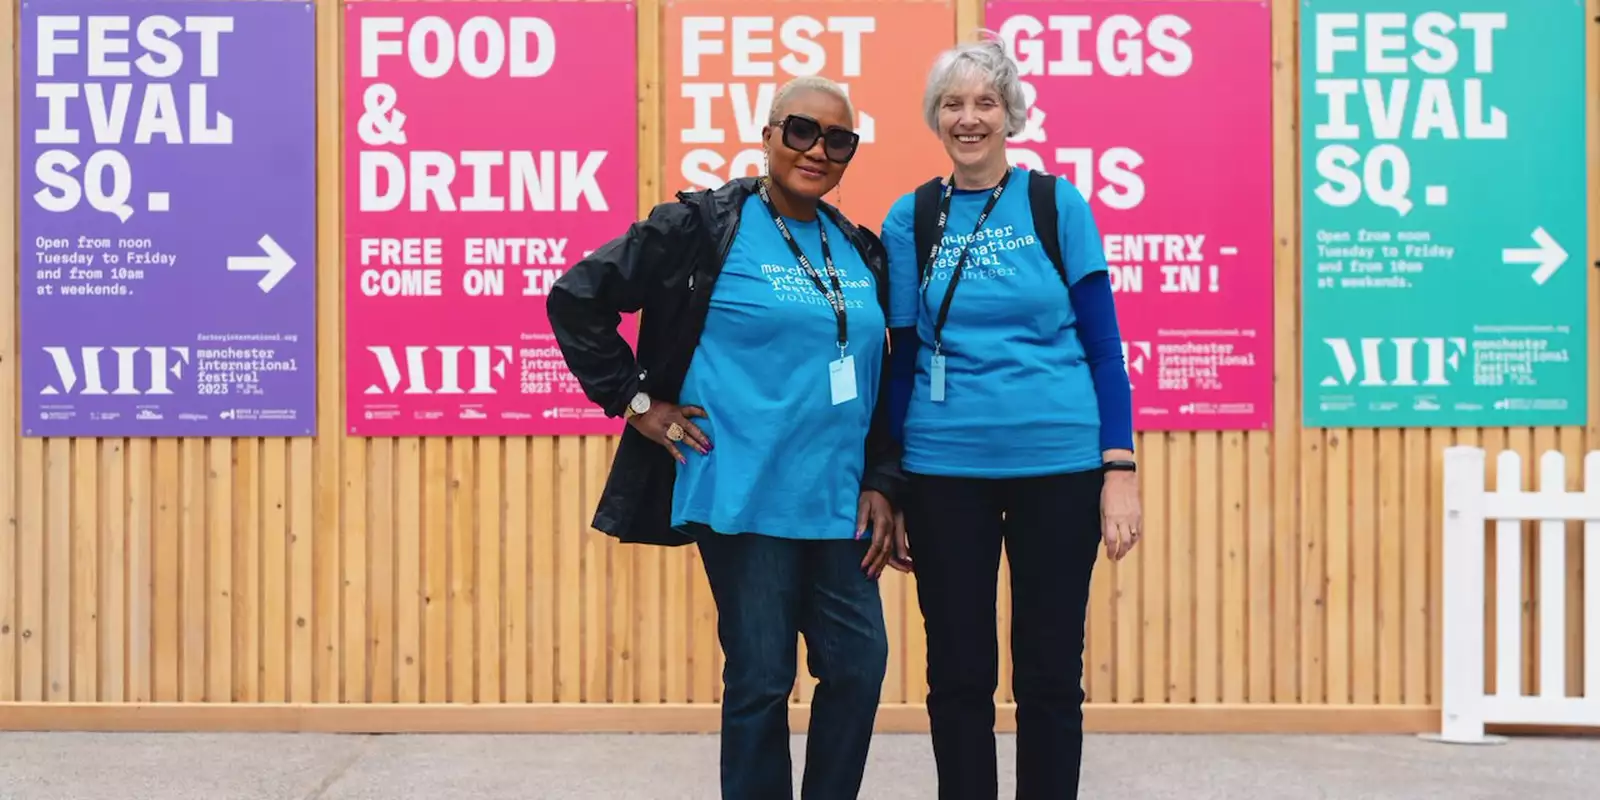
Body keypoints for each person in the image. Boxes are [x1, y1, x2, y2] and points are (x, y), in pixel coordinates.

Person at [546, 75, 910, 800]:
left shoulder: (859, 249)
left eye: (839, 140)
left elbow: (882, 379)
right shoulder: (702, 227)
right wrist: (637, 400)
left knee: (859, 665)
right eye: (802, 131)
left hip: (839, 503)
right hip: (741, 494)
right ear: (768, 134)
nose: (818, 151)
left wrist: (884, 481)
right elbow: (577, 297)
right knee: (761, 677)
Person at [878, 35, 1143, 799]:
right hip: (942, 471)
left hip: (1059, 468)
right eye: (954, 104)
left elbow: (1104, 351)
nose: (970, 118)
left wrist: (1117, 469)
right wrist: (890, 484)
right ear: (936, 117)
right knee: (958, 674)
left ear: (1010, 114)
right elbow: (900, 360)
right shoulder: (912, 217)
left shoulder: (1056, 205)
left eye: (985, 103)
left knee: (1050, 674)